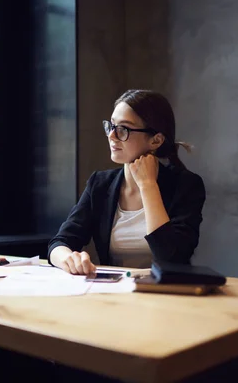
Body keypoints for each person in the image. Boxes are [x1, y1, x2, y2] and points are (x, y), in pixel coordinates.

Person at [47, 89, 206, 275]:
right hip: (114, 291)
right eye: (111, 126)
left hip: (167, 294)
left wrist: (148, 186)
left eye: (123, 129)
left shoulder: (186, 185)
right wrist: (69, 259)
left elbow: (171, 257)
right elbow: (60, 242)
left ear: (156, 140)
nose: (112, 136)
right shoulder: (100, 183)